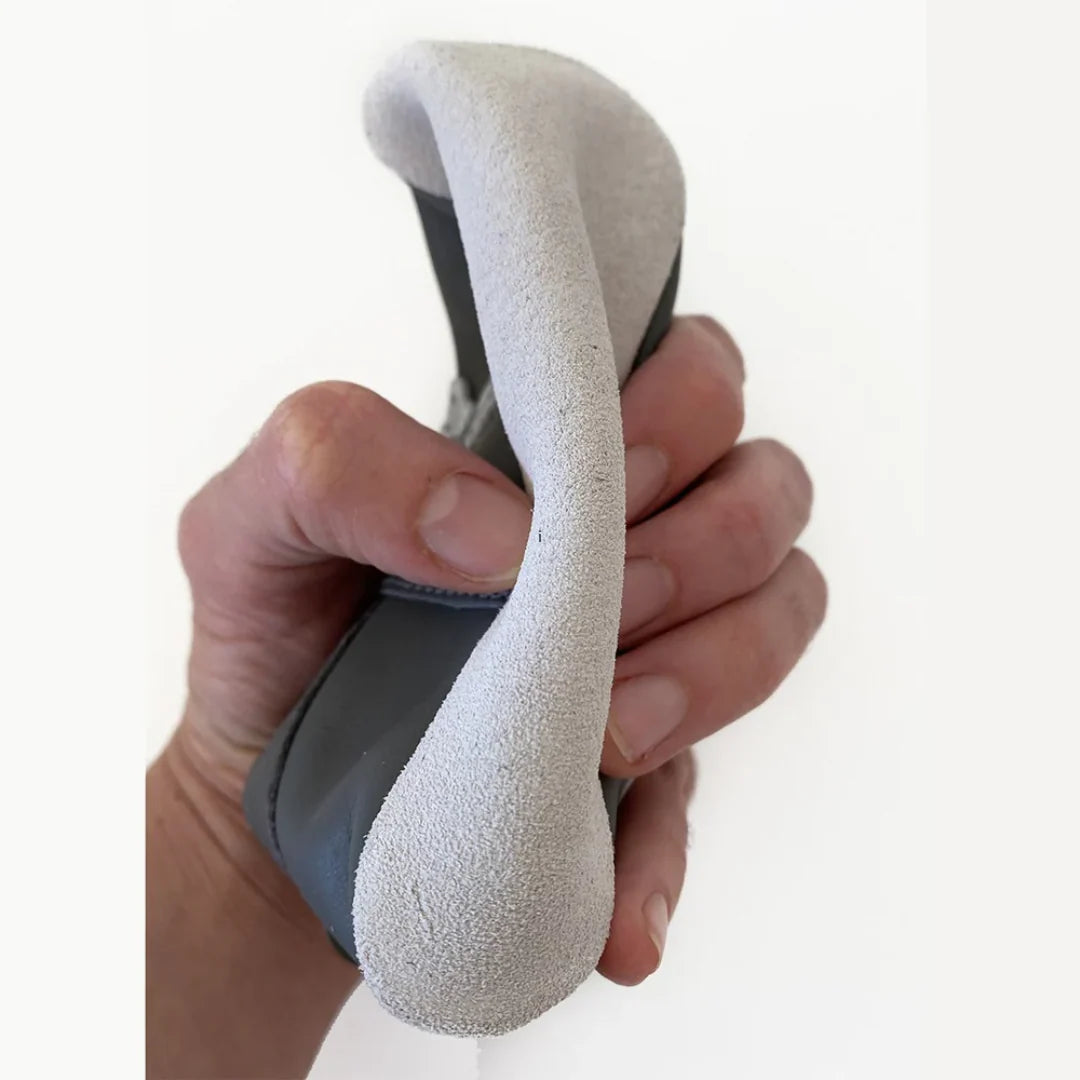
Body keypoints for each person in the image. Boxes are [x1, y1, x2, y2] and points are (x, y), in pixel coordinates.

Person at [146, 315, 826, 1078]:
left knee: (605, 543)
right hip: (349, 812)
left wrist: (231, 825)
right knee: (605, 559)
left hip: (336, 804)